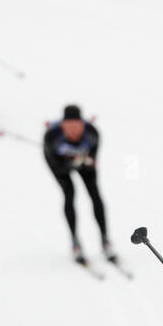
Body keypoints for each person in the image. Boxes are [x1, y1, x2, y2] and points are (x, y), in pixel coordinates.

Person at [43, 105, 116, 267]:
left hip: (84, 162)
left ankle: (105, 239)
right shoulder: (52, 137)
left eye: (77, 126)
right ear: (63, 125)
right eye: (69, 127)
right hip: (60, 165)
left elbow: (94, 158)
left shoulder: (92, 133)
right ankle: (75, 241)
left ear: (82, 124)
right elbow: (56, 165)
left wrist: (87, 161)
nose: (74, 130)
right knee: (69, 193)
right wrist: (71, 163)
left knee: (95, 194)